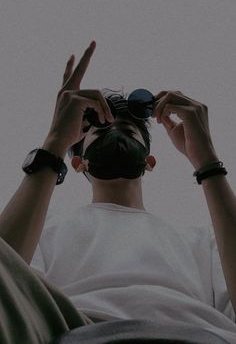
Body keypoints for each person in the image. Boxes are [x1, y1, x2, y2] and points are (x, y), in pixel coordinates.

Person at [0, 40, 236, 344]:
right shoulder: (42, 230)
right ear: (77, 163)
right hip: (76, 331)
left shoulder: (205, 242)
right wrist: (54, 143)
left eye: (128, 131)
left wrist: (207, 163)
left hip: (203, 336)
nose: (115, 131)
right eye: (100, 131)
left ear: (149, 162)